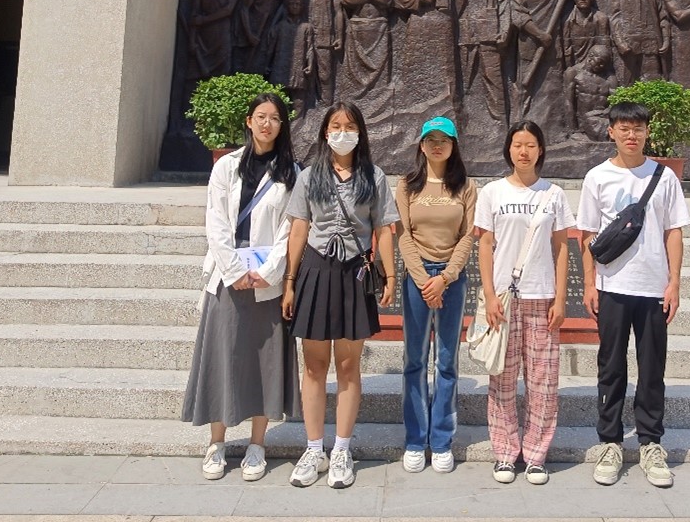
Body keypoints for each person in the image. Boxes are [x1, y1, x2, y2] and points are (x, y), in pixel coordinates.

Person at [181, 93, 301, 482]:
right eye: (261, 117)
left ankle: (256, 445)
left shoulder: (291, 173)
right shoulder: (227, 167)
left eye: (275, 118)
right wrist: (235, 271)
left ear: (282, 126)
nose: (267, 124)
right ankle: (217, 443)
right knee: (223, 356)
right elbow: (216, 221)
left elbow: (289, 229)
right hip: (228, 277)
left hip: (266, 280)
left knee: (265, 363)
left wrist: (269, 271)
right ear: (249, 121)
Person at [282, 102, 398, 489]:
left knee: (348, 367)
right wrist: (290, 280)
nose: (342, 132)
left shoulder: (373, 176)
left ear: (360, 133)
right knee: (314, 366)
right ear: (325, 132)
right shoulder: (309, 176)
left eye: (349, 126)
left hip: (354, 273)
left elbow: (384, 229)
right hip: (316, 271)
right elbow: (299, 229)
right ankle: (314, 448)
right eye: (335, 126)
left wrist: (390, 275)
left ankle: (342, 449)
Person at [577, 102, 690, 488]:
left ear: (647, 132)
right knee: (611, 367)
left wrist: (674, 282)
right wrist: (589, 283)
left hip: (653, 288)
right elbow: (586, 235)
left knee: (652, 367)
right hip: (612, 287)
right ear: (611, 131)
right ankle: (610, 442)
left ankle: (650, 443)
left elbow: (674, 231)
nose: (631, 135)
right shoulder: (597, 177)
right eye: (624, 128)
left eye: (638, 128)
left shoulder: (664, 177)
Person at [475, 120, 572, 486]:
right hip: (505, 299)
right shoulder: (492, 192)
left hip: (542, 296)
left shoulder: (554, 194)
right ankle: (504, 452)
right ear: (509, 149)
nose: (524, 151)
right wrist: (489, 295)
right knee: (502, 379)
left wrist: (560, 298)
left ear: (540, 150)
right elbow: (485, 245)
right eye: (518, 144)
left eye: (531, 144)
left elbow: (562, 248)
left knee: (543, 383)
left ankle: (535, 456)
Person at [395, 116, 477, 474]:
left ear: (454, 145)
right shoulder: (407, 185)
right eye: (431, 139)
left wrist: (444, 278)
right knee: (414, 360)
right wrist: (422, 278)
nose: (437, 145)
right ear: (422, 145)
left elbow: (468, 236)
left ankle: (441, 440)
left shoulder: (466, 187)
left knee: (446, 361)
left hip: (451, 279)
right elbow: (403, 235)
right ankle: (416, 439)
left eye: (445, 139)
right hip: (416, 277)